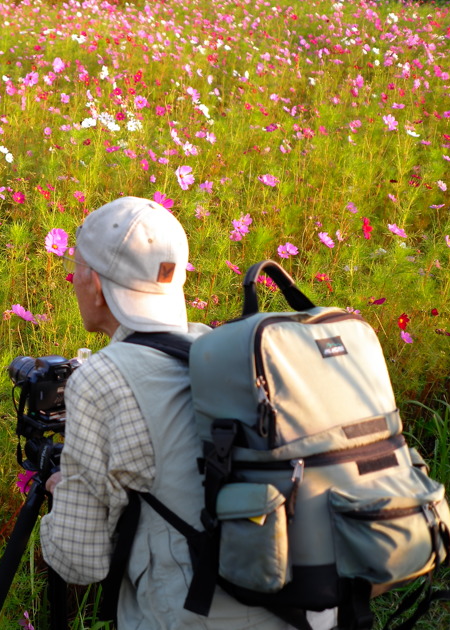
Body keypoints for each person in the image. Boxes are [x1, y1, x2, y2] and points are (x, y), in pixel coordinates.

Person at [38, 196, 335, 630]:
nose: (74, 280)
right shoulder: (215, 350)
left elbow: (79, 562)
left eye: (78, 268)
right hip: (301, 611)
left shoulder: (102, 378)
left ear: (97, 285)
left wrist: (60, 488)